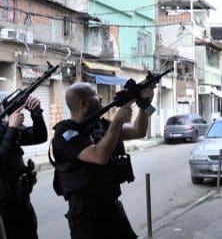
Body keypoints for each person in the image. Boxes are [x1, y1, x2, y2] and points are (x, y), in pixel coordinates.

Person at [51, 82, 154, 239]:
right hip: (87, 218)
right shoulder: (65, 133)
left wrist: (146, 105)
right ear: (84, 104)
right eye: (95, 94)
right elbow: (99, 156)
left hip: (112, 207)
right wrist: (117, 121)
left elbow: (138, 131)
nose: (100, 97)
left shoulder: (100, 125)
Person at [0, 96, 48, 239]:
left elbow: (39, 137)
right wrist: (12, 129)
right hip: (4, 210)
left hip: (21, 201)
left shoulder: (4, 127)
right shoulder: (8, 128)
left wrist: (36, 114)